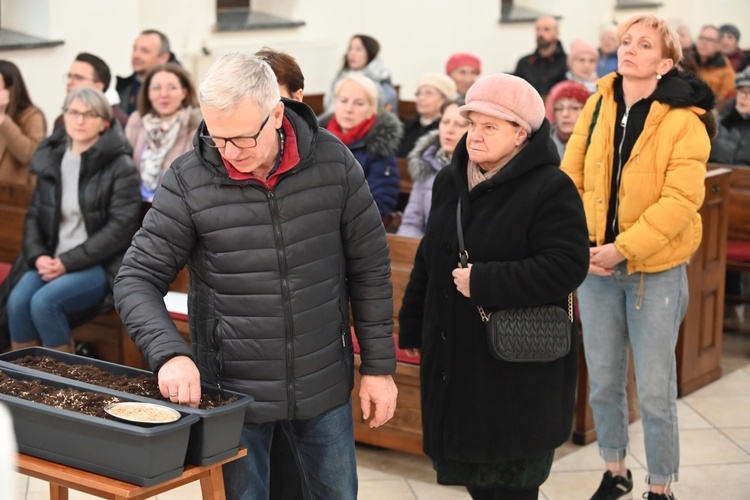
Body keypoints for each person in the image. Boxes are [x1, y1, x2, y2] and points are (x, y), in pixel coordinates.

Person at [113, 53, 398, 500]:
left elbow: (370, 269)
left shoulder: (333, 162)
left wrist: (379, 368)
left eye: (244, 138)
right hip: (233, 395)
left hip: (322, 385)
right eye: (218, 138)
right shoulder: (190, 179)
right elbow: (135, 278)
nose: (230, 153)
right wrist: (169, 354)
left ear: (278, 113)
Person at [398, 73, 589, 500]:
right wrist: (412, 324)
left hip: (515, 370)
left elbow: (567, 265)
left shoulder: (549, 188)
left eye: (490, 126)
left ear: (521, 134)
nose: (475, 136)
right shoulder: (452, 180)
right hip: (458, 360)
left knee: (510, 485)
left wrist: (485, 281)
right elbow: (431, 255)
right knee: (475, 479)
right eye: (472, 124)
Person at [560, 13, 716, 500]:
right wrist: (583, 244)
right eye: (626, 42)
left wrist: (621, 248)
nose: (630, 49)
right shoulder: (597, 103)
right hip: (595, 267)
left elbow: (679, 201)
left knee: (653, 389)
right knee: (605, 382)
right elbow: (571, 174)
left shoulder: (684, 121)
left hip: (654, 270)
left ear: (665, 63)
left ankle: (661, 486)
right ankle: (615, 470)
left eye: (645, 45)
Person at [2, 87, 141, 352]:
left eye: (89, 115)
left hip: (99, 265)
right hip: (51, 259)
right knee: (17, 302)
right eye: (73, 112)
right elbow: (35, 215)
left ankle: (62, 384)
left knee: (44, 303)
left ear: (104, 122)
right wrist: (37, 256)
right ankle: (22, 381)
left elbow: (120, 229)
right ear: (64, 115)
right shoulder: (52, 158)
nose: (79, 120)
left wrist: (67, 262)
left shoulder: (119, 165)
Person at [321, 73, 402, 218]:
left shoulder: (379, 148)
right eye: (343, 100)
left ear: (371, 110)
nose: (349, 109)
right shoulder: (315, 140)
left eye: (359, 103)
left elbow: (380, 203)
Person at [125, 63, 201, 201]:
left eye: (172, 87)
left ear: (184, 92)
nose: (164, 94)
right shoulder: (136, 121)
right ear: (147, 93)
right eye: (156, 88)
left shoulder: (196, 125)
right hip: (136, 207)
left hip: (176, 209)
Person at [397, 98, 468, 238]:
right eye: (445, 122)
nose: (449, 130)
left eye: (459, 124)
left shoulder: (478, 171)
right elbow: (411, 222)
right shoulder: (426, 164)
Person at [323, 34, 397, 116]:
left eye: (358, 49)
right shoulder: (340, 77)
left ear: (370, 53)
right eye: (350, 48)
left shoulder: (381, 80)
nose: (352, 53)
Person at [53, 53, 129, 131]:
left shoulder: (116, 121)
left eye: (78, 78)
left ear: (98, 87)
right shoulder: (61, 121)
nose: (69, 82)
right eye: (69, 76)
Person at [0, 60, 45, 185]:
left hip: (14, 196)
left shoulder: (31, 115)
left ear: (10, 90)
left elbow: (29, 154)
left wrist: (2, 118)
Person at [397, 73, 457, 157]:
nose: (421, 98)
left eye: (428, 93)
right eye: (419, 93)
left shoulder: (448, 128)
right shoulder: (408, 125)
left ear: (445, 99)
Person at [116, 30, 173, 115]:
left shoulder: (175, 89)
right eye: (135, 49)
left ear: (163, 58)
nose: (136, 55)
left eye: (145, 51)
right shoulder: (122, 87)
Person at [514, 16, 568, 98]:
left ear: (557, 33)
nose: (540, 34)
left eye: (546, 29)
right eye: (538, 29)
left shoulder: (567, 63)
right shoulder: (524, 63)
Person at [544, 80, 589, 160]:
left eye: (574, 108)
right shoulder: (541, 142)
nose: (565, 114)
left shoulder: (597, 143)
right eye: (560, 108)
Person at [695, 24, 736, 111]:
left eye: (710, 40)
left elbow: (722, 104)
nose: (704, 42)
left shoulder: (727, 72)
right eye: (702, 38)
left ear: (719, 45)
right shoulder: (687, 62)